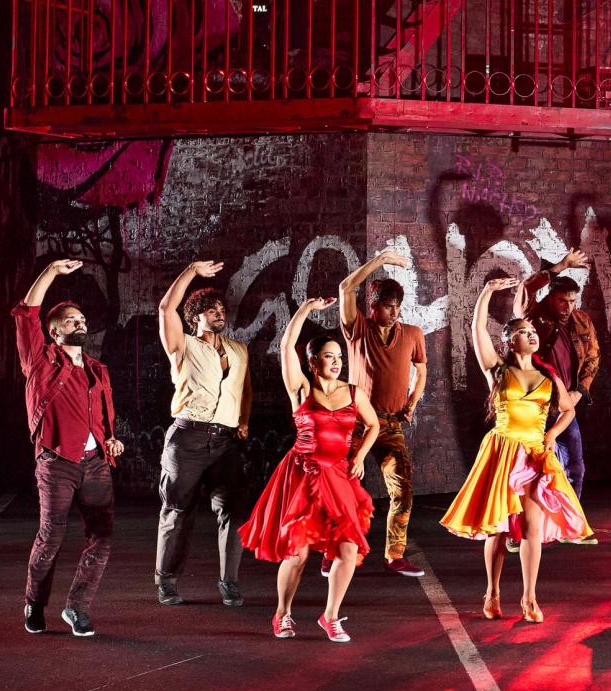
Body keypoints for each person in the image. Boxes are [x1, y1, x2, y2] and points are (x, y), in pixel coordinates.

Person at [440, 277, 593, 624]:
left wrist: (553, 433)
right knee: (498, 529)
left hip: (536, 454)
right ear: (510, 341)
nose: (533, 335)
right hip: (503, 451)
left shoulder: (546, 374)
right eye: (524, 332)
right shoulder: (498, 370)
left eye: (533, 332)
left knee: (532, 528)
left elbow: (569, 408)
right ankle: (492, 592)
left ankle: (529, 598)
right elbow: (476, 326)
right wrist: (486, 291)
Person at [239, 298, 380, 642]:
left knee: (349, 548)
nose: (336, 362)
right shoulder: (301, 388)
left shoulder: (354, 392)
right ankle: (282, 614)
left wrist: (359, 457)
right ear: (313, 361)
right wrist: (305, 310)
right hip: (302, 473)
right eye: (329, 356)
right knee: (298, 552)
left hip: (339, 476)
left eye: (339, 357)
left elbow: (373, 425)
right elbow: (287, 345)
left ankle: (330, 616)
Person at [14, 259, 124, 637]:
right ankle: (34, 602)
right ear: (54, 330)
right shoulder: (40, 361)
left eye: (82, 320)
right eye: (71, 320)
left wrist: (110, 437)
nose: (81, 323)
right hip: (57, 461)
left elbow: (102, 414)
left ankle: (76, 608)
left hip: (95, 463)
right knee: (51, 536)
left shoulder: (98, 369)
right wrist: (50, 273)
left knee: (102, 536)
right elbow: (27, 311)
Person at [154, 261, 252, 607]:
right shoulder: (183, 346)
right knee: (178, 510)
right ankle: (166, 580)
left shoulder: (239, 350)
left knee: (233, 511)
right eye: (212, 310)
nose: (219, 313)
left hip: (225, 442)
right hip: (187, 439)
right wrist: (192, 271)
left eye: (222, 309)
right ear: (196, 315)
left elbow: (245, 389)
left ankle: (229, 582)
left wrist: (243, 420)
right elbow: (167, 307)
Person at [338, 249, 428, 577]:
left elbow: (422, 367)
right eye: (388, 307)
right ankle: (335, 549)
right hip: (358, 424)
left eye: (398, 307)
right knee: (343, 490)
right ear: (373, 308)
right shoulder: (357, 328)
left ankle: (394, 555)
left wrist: (413, 401)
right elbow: (346, 290)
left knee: (402, 492)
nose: (395, 312)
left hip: (390, 426)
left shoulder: (413, 334)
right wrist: (378, 262)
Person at [513, 250, 601, 547]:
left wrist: (581, 391)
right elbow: (527, 288)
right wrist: (561, 265)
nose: (568, 306)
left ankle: (566, 525)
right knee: (523, 472)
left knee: (574, 467)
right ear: (551, 297)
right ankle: (516, 531)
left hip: (564, 407)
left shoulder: (582, 321)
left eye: (573, 300)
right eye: (563, 300)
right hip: (532, 407)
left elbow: (593, 358)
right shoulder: (533, 318)